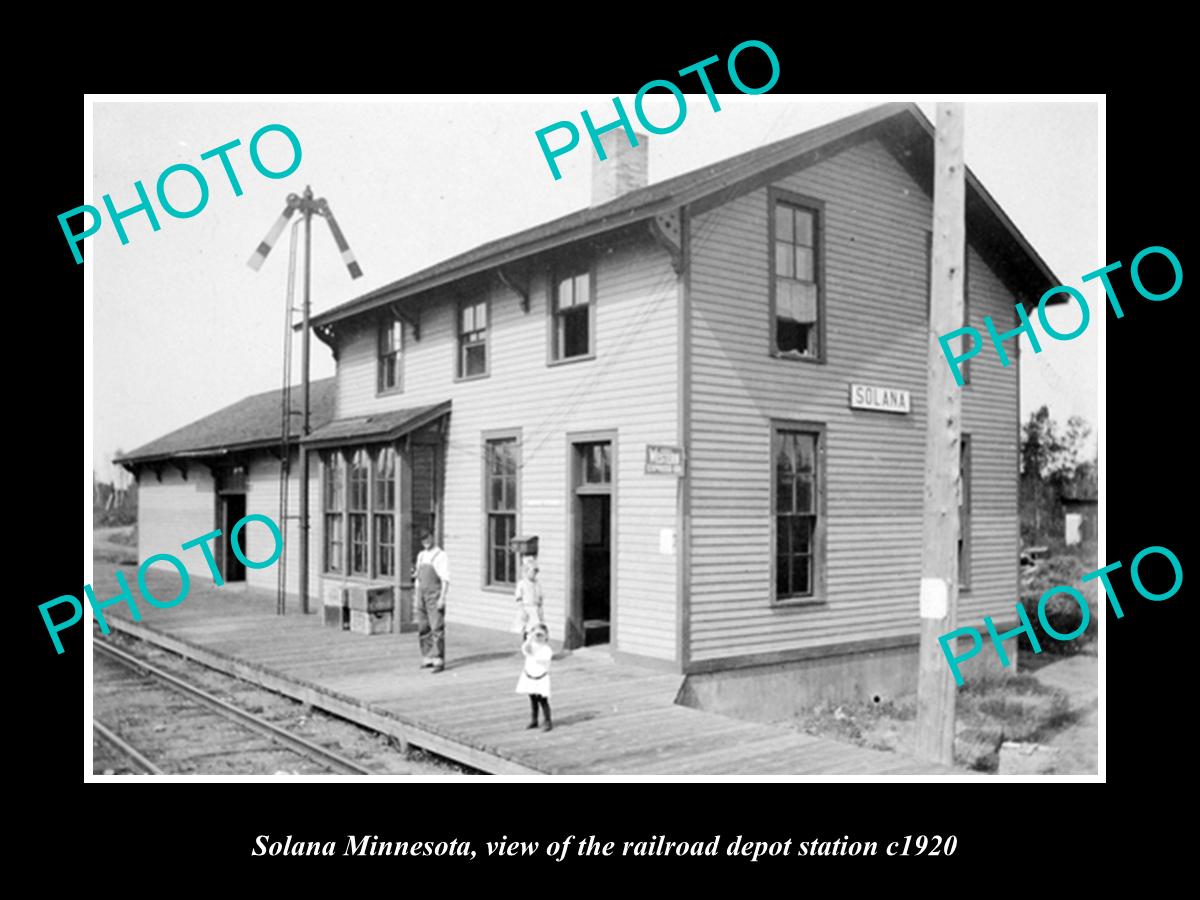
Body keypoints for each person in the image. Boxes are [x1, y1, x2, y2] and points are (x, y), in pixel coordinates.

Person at [413, 528, 449, 673]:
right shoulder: (421, 556)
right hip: (421, 593)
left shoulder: (440, 555)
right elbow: (417, 577)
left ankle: (438, 658)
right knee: (423, 626)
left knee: (436, 627)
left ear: (432, 537)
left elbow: (445, 579)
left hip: (434, 594)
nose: (426, 542)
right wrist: (416, 595)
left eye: (427, 538)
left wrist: (442, 598)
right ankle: (427, 656)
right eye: (423, 539)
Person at [516, 623, 553, 731]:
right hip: (529, 677)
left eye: (541, 635)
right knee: (533, 700)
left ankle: (547, 720)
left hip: (541, 679)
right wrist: (529, 638)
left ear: (546, 637)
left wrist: (533, 644)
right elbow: (525, 649)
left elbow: (539, 658)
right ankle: (534, 720)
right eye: (537, 635)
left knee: (543, 700)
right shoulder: (530, 646)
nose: (539, 638)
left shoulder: (546, 650)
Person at [511, 556, 545, 639]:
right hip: (526, 607)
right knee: (526, 627)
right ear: (526, 572)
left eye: (535, 573)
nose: (534, 575)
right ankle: (526, 641)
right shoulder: (522, 584)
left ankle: (534, 643)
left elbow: (540, 596)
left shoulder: (537, 584)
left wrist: (540, 607)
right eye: (532, 572)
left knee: (536, 627)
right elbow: (519, 597)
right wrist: (521, 609)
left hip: (535, 607)